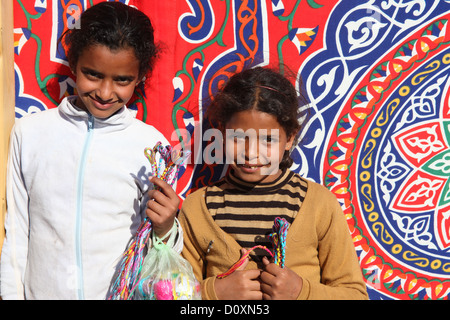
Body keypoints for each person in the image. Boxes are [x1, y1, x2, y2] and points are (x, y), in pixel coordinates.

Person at [1, 2, 180, 300]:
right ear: (73, 64)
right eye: (93, 74)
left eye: (122, 80)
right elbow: (17, 234)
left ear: (140, 77)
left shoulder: (151, 146)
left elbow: (161, 251)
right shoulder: (30, 134)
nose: (105, 92)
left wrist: (166, 227)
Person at [178, 66, 368, 300]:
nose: (251, 153)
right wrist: (213, 293)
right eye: (238, 138)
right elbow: (175, 294)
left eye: (267, 140)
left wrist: (300, 292)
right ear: (222, 132)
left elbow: (355, 295)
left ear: (289, 138)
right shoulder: (197, 208)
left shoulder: (319, 205)